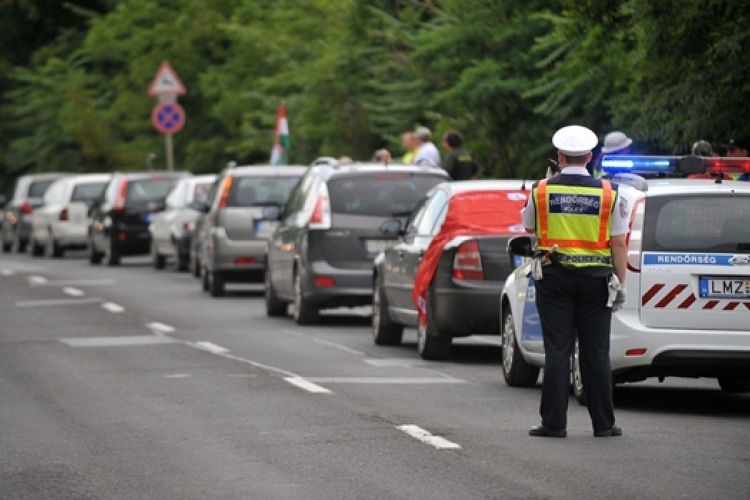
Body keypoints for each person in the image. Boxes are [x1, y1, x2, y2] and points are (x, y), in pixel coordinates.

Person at [521, 125, 629, 438]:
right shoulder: (609, 193)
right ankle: (603, 424)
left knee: (558, 350)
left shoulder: (541, 190)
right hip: (596, 281)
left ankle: (554, 423)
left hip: (554, 279)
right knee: (595, 352)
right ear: (591, 157)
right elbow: (619, 243)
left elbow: (529, 226)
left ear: (559, 156)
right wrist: (620, 285)